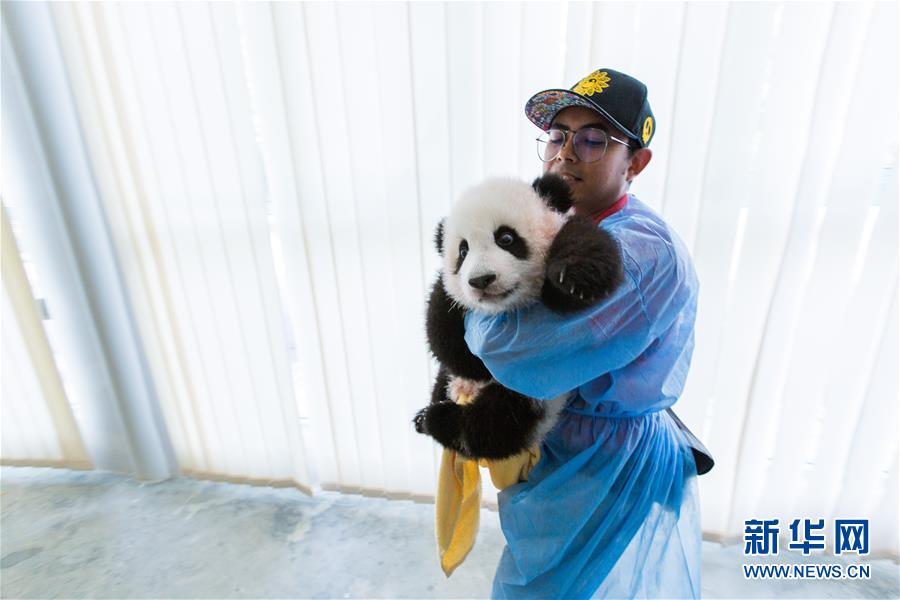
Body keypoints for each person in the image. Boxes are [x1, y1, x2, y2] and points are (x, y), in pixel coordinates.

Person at [463, 68, 710, 598]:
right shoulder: (566, 225)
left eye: (593, 139)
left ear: (636, 162)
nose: (565, 153)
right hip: (562, 446)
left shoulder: (638, 254)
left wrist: (466, 302)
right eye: (556, 135)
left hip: (604, 459)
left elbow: (510, 348)